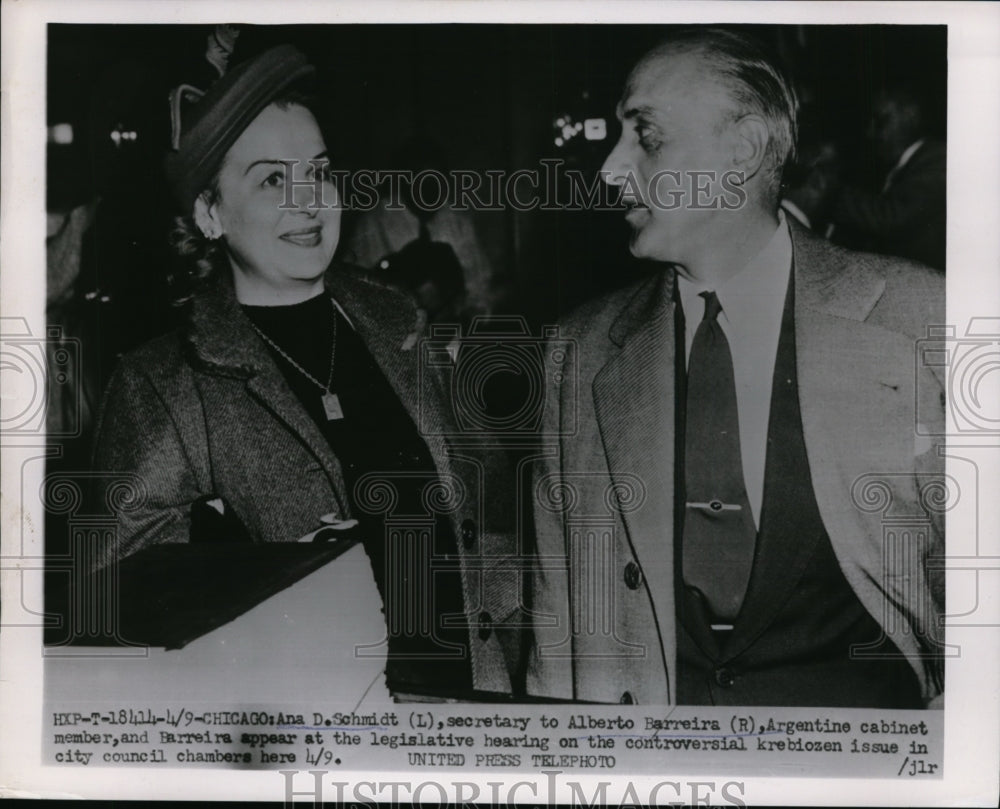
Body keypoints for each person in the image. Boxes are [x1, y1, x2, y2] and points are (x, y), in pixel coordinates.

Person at [528, 28, 945, 707]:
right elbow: (562, 639)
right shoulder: (578, 351)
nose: (608, 169)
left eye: (646, 136)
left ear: (744, 149)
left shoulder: (916, 314)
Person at [91, 42, 522, 697]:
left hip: (461, 695)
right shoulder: (163, 384)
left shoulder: (393, 318)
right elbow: (126, 611)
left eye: (318, 172)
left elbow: (476, 508)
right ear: (209, 213)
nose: (310, 201)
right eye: (271, 179)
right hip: (307, 724)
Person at [832, 84, 946, 271]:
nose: (870, 132)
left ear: (911, 118)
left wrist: (826, 190)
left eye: (881, 121)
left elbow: (893, 219)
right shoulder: (903, 166)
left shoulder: (939, 159)